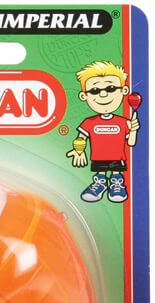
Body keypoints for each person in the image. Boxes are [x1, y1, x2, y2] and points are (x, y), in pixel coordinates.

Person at [66, 61, 140, 202]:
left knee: (116, 174)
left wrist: (134, 130)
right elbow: (81, 138)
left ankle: (116, 185)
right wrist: (79, 150)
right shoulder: (90, 122)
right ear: (84, 96)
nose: (104, 94)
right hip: (98, 158)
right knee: (100, 174)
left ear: (124, 91)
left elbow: (131, 142)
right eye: (95, 90)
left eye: (111, 88)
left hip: (117, 158)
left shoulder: (123, 122)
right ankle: (100, 184)